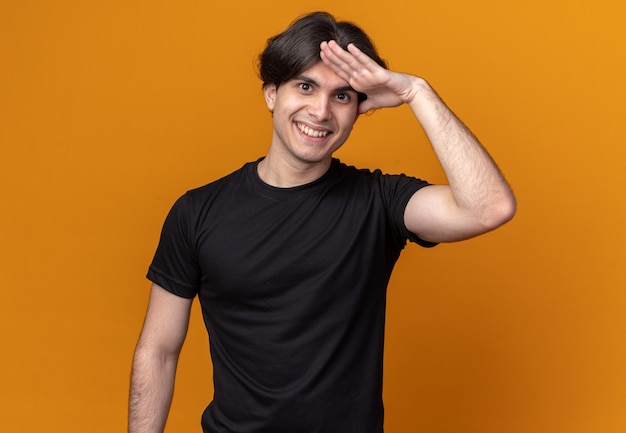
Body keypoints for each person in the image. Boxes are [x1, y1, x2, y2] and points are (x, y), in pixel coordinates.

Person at [128, 11, 516, 433]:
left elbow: (489, 207)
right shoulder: (197, 211)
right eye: (306, 86)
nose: (321, 111)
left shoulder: (379, 202)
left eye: (342, 96)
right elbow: (159, 350)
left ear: (360, 109)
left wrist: (416, 92)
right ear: (272, 93)